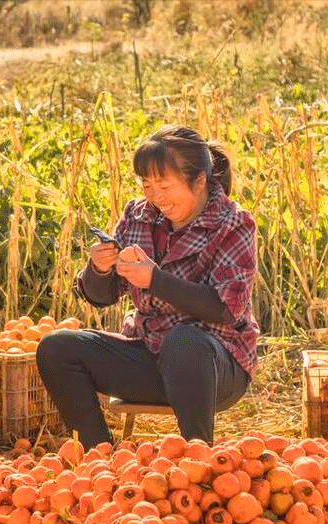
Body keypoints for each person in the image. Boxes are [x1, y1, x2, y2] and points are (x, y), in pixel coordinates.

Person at [36, 125, 258, 447]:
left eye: (165, 185)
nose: (156, 196)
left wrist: (155, 280)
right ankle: (102, 456)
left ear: (199, 181)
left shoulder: (232, 224)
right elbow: (103, 296)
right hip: (150, 356)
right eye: (147, 185)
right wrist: (99, 269)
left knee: (185, 341)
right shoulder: (139, 215)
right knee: (57, 348)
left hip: (213, 366)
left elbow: (225, 308)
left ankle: (198, 460)